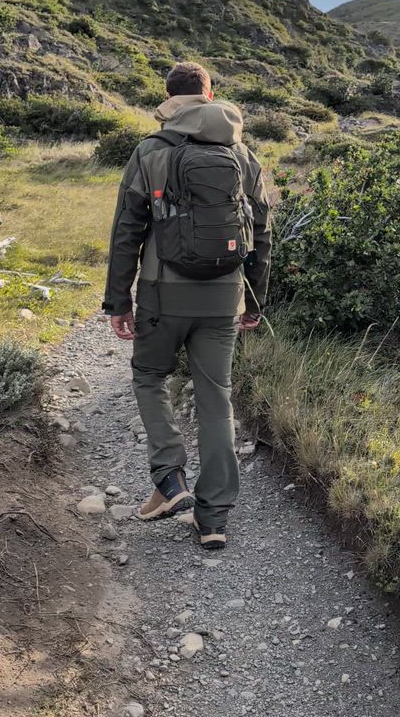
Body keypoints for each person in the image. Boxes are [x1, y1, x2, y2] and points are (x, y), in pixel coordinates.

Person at [102, 61, 271, 550]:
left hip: (161, 293)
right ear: (210, 94)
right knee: (216, 397)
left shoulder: (150, 151)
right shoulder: (241, 153)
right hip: (225, 296)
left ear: (167, 99)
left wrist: (119, 300)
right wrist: (254, 298)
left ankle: (171, 481)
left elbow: (127, 231)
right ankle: (213, 518)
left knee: (150, 376)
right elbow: (262, 232)